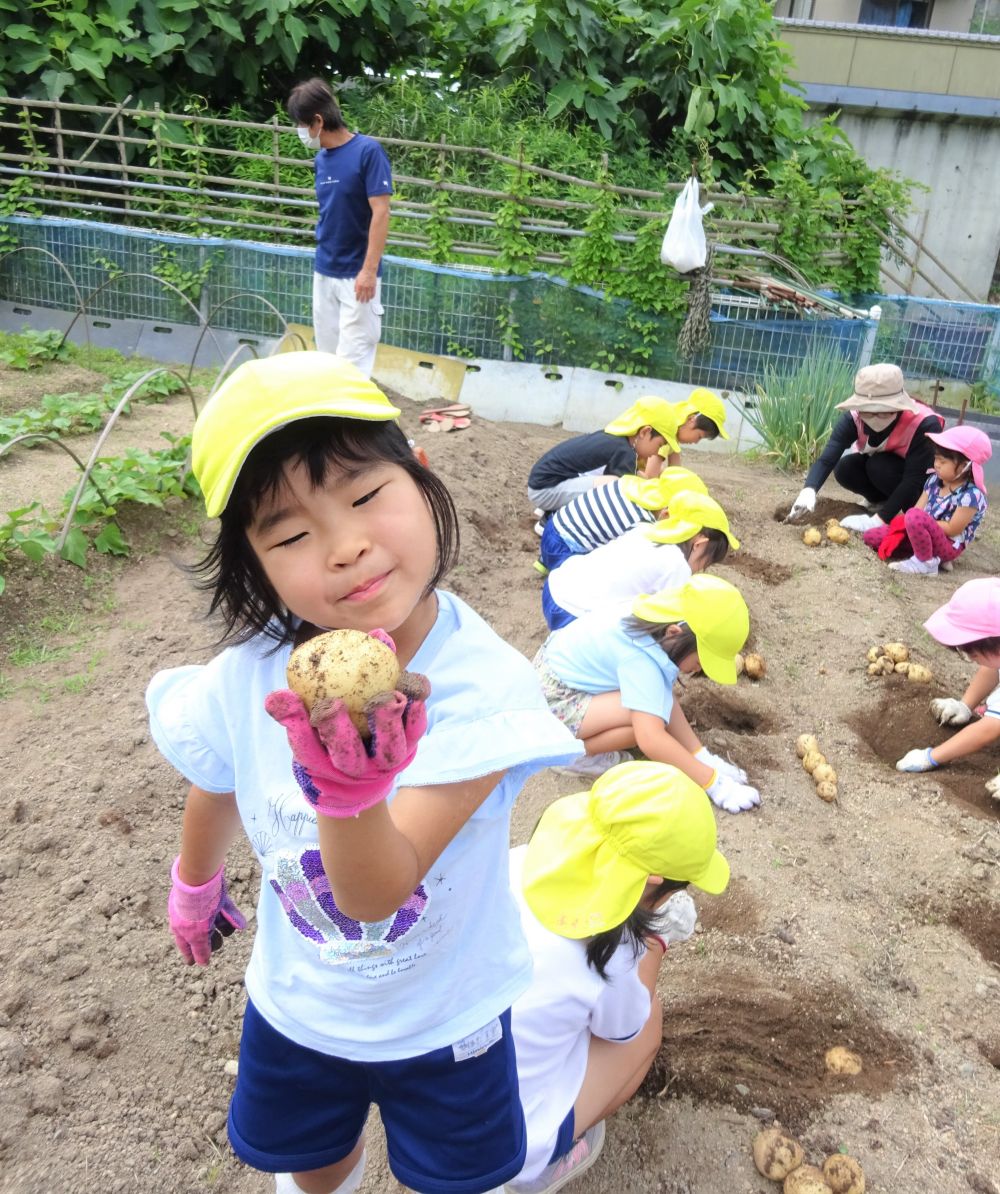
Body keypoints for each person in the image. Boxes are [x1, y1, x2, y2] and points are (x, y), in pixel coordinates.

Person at [146, 352, 582, 1194]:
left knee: (453, 1180)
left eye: (364, 495)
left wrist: (349, 795)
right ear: (254, 561)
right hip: (299, 1006)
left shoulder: (479, 689)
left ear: (419, 477)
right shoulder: (252, 671)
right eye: (292, 534)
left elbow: (377, 891)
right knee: (312, 1165)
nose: (345, 547)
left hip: (447, 1014)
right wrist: (193, 881)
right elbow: (219, 769)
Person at [506, 760, 730, 1194]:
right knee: (646, 1026)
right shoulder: (612, 953)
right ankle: (543, 1162)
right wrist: (656, 942)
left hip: (422, 1100)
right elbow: (626, 1029)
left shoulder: (517, 861)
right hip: (497, 1145)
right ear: (653, 885)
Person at [532, 573, 762, 812]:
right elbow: (651, 740)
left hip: (556, 674)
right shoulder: (640, 659)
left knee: (653, 706)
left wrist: (702, 756)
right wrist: (715, 784)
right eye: (701, 660)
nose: (700, 670)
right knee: (644, 725)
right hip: (555, 702)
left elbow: (661, 694)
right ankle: (575, 757)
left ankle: (581, 745)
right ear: (675, 633)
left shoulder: (654, 622)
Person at [287, 78, 392, 377]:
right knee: (327, 361)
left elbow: (381, 213)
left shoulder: (368, 152)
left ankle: (353, 423)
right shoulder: (321, 159)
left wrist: (369, 271)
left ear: (318, 121)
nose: (300, 132)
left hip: (357, 276)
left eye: (301, 124)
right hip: (325, 271)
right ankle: (331, 423)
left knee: (352, 366)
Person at [542, 489, 738, 631]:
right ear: (700, 544)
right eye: (703, 565)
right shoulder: (677, 565)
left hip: (556, 586)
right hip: (572, 614)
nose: (698, 571)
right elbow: (672, 622)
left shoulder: (645, 529)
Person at [786, 363, 944, 532]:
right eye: (868, 411)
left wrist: (878, 521)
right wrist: (809, 490)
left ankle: (910, 517)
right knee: (845, 468)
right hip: (884, 475)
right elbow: (827, 459)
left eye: (884, 411)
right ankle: (879, 502)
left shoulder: (924, 423)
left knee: (880, 466)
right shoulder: (853, 420)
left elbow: (914, 479)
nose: (875, 417)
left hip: (916, 488)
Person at [527, 390, 727, 522]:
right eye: (660, 445)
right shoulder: (629, 448)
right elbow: (638, 484)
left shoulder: (622, 439)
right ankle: (553, 518)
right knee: (616, 486)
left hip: (548, 482)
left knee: (616, 482)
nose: (657, 452)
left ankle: (554, 508)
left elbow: (663, 474)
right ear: (644, 432)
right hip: (545, 489)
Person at [896, 577, 1000, 800]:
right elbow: (992, 668)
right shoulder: (997, 651)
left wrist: (932, 757)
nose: (970, 657)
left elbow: (989, 728)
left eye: (972, 653)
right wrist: (965, 705)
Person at [861, 426, 990, 576]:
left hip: (948, 543)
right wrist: (906, 527)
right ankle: (930, 556)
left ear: (964, 466)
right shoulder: (934, 480)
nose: (937, 464)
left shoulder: (971, 495)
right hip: (922, 535)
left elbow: (953, 529)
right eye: (936, 458)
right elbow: (918, 509)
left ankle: (926, 563)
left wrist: (922, 522)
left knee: (914, 516)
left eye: (943, 461)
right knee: (871, 537)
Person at [538, 471, 687, 574]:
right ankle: (556, 568)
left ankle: (544, 561)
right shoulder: (642, 522)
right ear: (666, 512)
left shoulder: (629, 484)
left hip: (553, 526)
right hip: (564, 550)